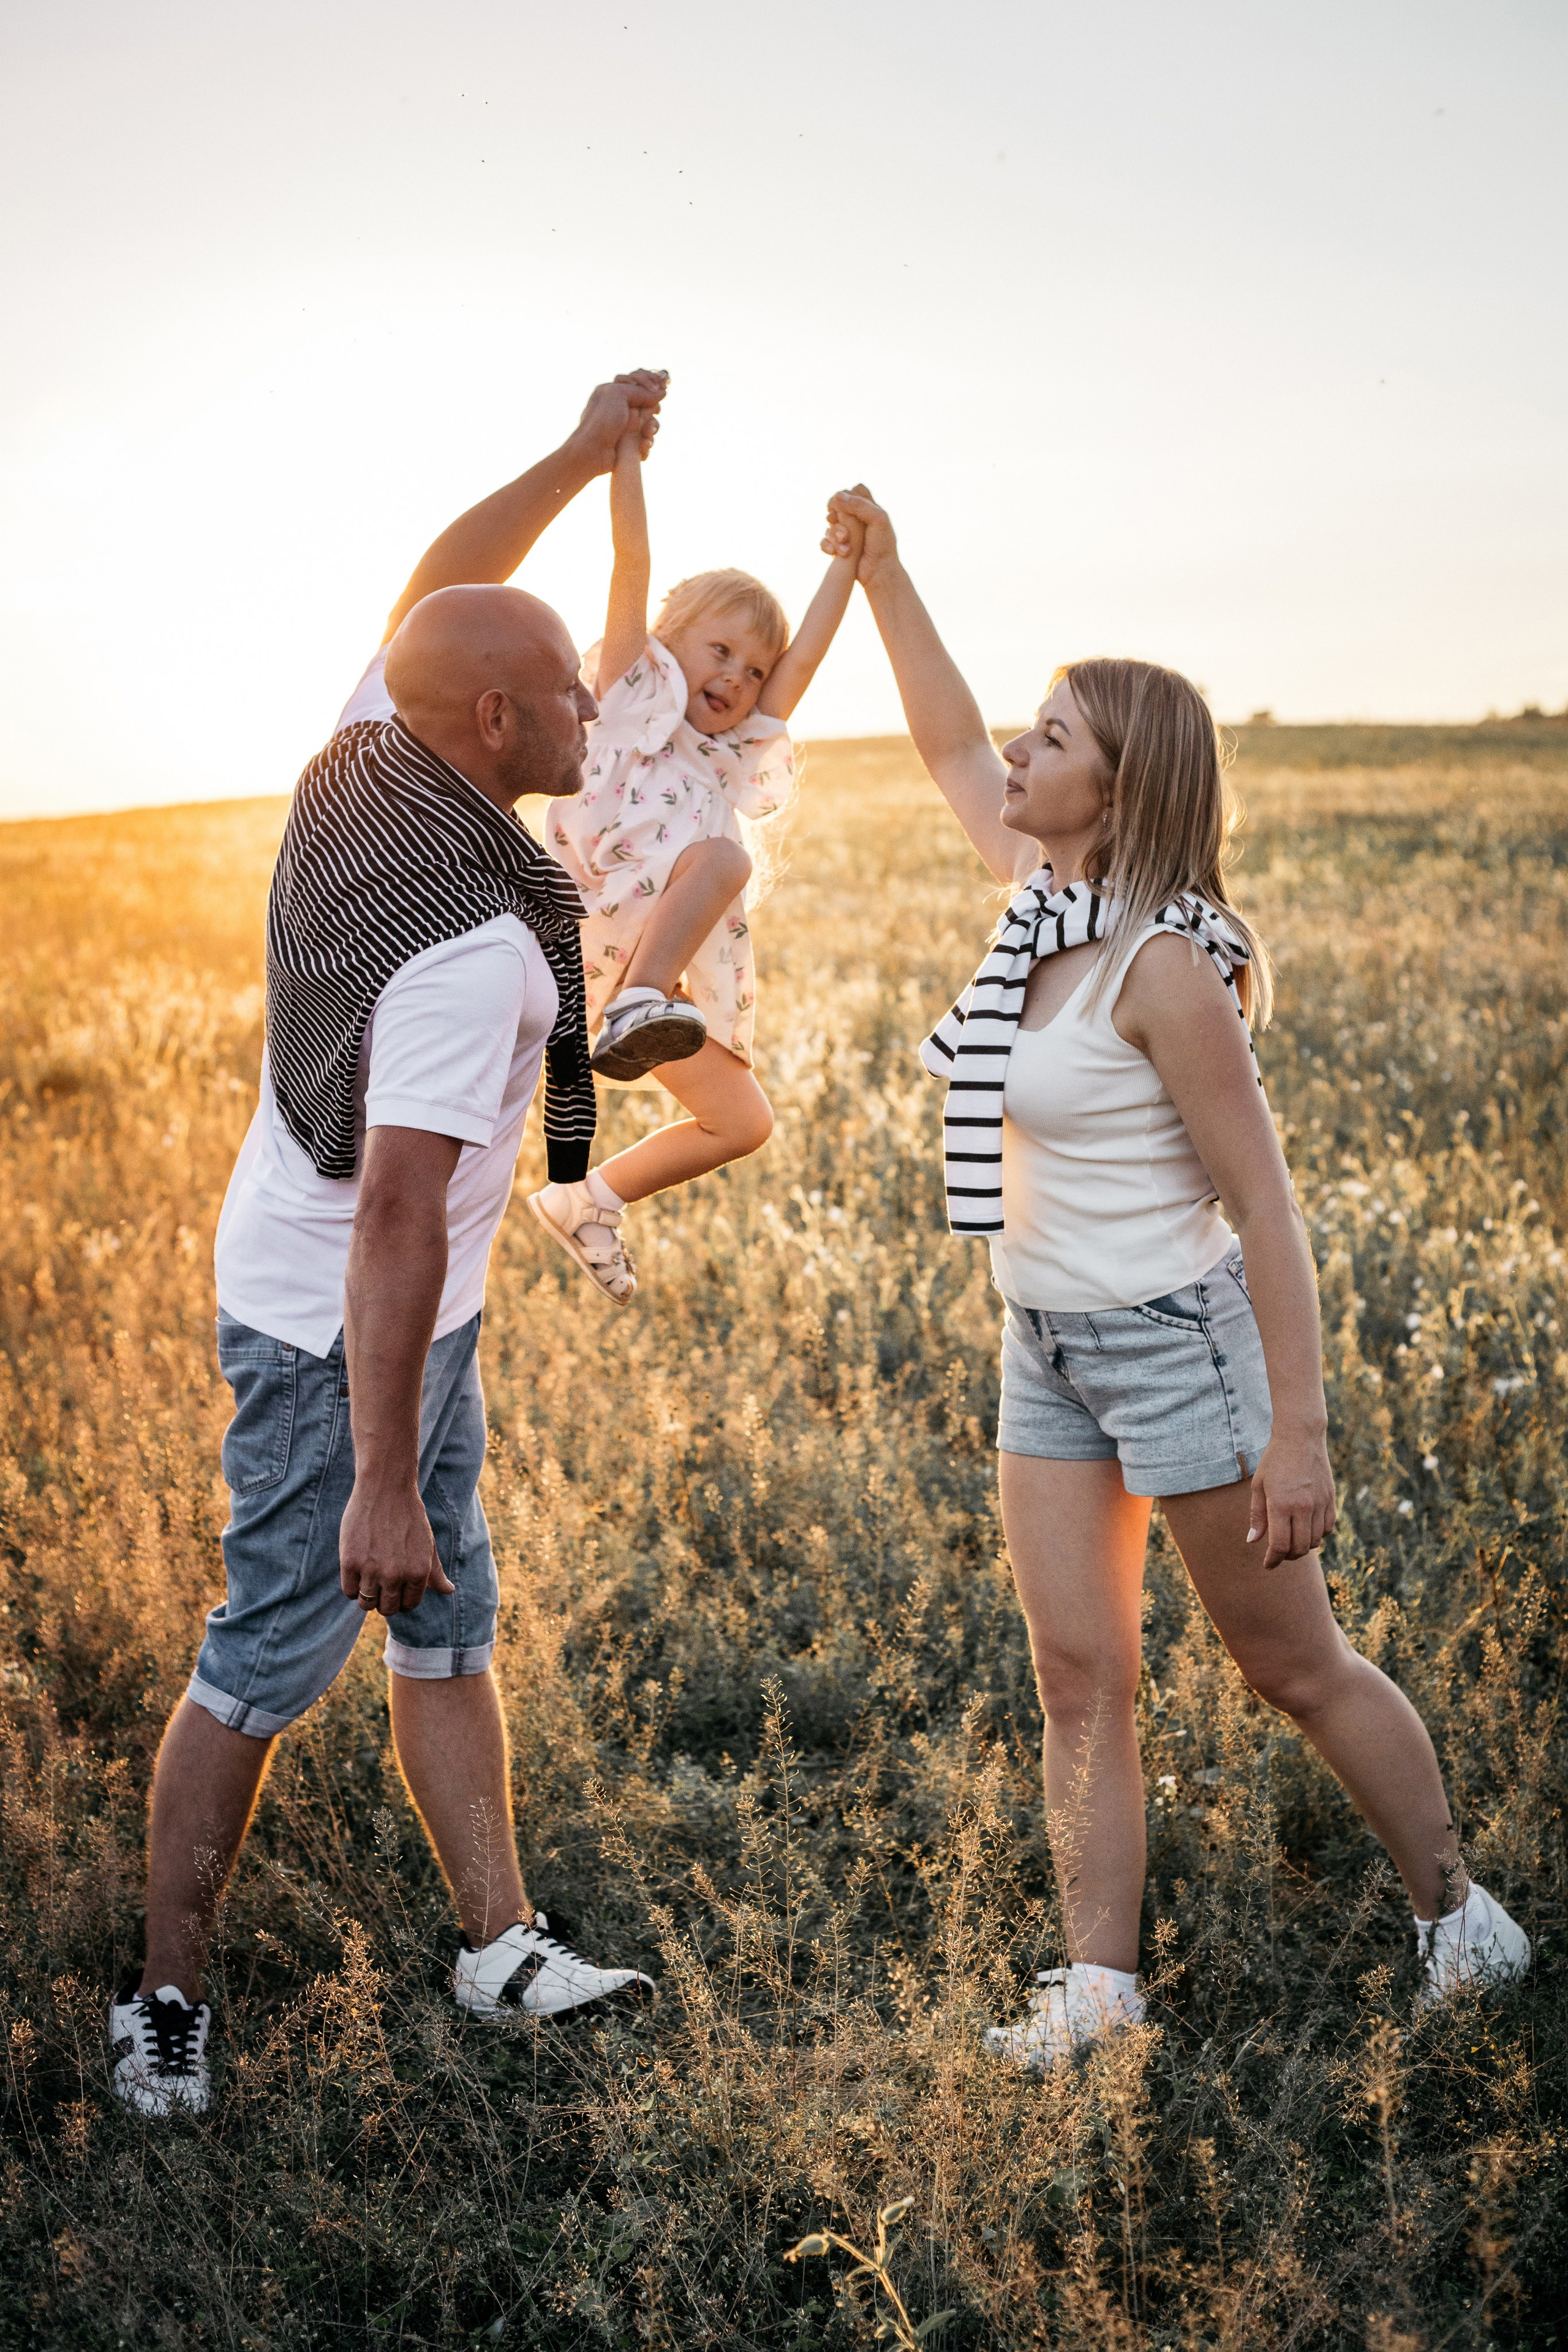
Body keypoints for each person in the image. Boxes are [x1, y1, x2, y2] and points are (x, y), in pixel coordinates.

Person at [826, 484, 1531, 2069]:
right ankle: (1098, 1994)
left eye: (1053, 737)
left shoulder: (1166, 968)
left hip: (1180, 1344)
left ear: (1120, 784)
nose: (1017, 752)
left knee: (1289, 1664)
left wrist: (1301, 1431)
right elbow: (946, 737)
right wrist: (886, 575)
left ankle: (1458, 1919)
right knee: (1081, 1675)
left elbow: (1267, 1212)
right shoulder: (1041, 910)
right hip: (1047, 1342)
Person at [109, 373, 671, 2119]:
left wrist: (584, 460)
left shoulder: (369, 740)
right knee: (265, 1659)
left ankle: (495, 1943)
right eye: (572, 688)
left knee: (450, 1629)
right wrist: (378, 1476)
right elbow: (402, 1218)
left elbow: (441, 574)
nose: (602, 704)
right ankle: (164, 2003)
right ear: (496, 719)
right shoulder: (468, 952)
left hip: (393, 1313)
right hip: (336, 1334)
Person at [528, 393, 864, 1303]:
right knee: (725, 861)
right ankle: (638, 1002)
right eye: (720, 651)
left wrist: (850, 566)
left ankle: (587, 1200)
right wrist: (626, 455)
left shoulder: (723, 757)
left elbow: (804, 668)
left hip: (655, 992)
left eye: (751, 669)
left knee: (742, 1122)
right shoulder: (630, 692)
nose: (736, 678)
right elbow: (630, 557)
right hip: (596, 955)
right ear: (670, 638)